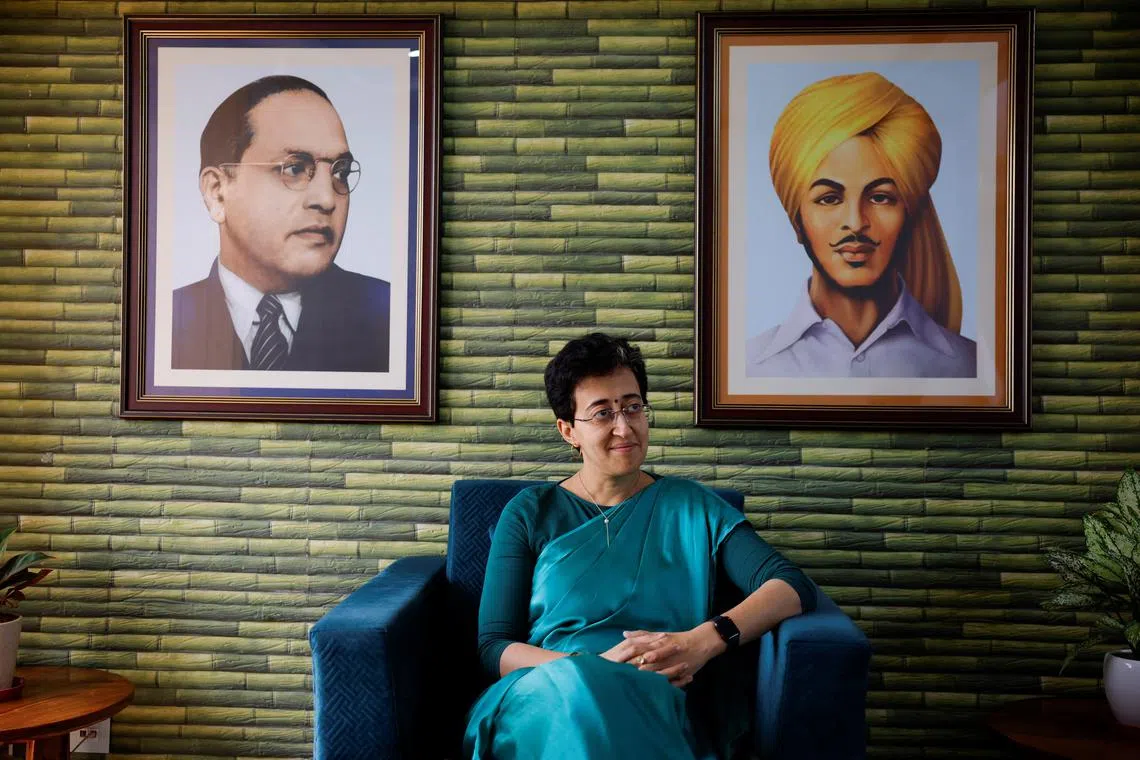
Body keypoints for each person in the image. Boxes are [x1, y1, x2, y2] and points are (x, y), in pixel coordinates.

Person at [464, 333, 817, 759]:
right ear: (567, 430)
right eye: (602, 413)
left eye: (633, 407)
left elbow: (790, 586)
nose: (624, 426)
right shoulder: (530, 512)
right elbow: (495, 646)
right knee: (581, 694)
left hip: (654, 695)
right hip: (546, 692)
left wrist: (702, 642)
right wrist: (590, 668)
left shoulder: (692, 507)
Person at [745, 71, 976, 379]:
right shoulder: (748, 367)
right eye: (828, 199)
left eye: (880, 197)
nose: (855, 223)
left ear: (910, 214)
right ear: (797, 221)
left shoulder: (970, 366)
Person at [172, 75, 390, 372]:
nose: (327, 199)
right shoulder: (164, 323)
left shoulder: (390, 316)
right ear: (218, 193)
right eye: (295, 168)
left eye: (341, 172)